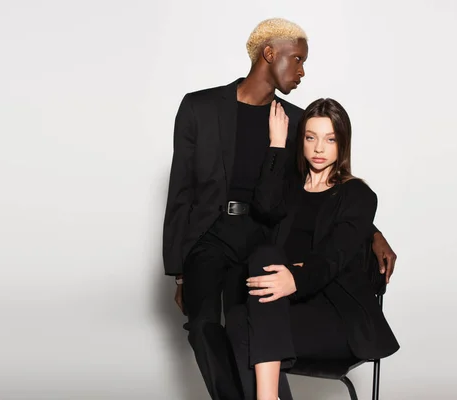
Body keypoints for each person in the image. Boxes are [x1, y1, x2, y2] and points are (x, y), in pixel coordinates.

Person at [162, 18, 396, 400]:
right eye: (298, 60)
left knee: (247, 326)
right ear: (270, 54)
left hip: (261, 237)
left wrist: (374, 233)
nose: (303, 71)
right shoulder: (198, 107)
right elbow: (180, 191)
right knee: (203, 325)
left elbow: (326, 191)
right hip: (209, 234)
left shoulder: (298, 120)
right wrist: (179, 273)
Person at [225, 98, 400, 400]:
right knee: (240, 318)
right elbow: (264, 206)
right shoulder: (291, 189)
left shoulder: (358, 195)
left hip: (336, 318)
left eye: (330, 139)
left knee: (246, 324)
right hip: (285, 308)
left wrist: (295, 277)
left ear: (342, 144)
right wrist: (277, 144)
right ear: (302, 141)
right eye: (310, 137)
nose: (319, 149)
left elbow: (333, 258)